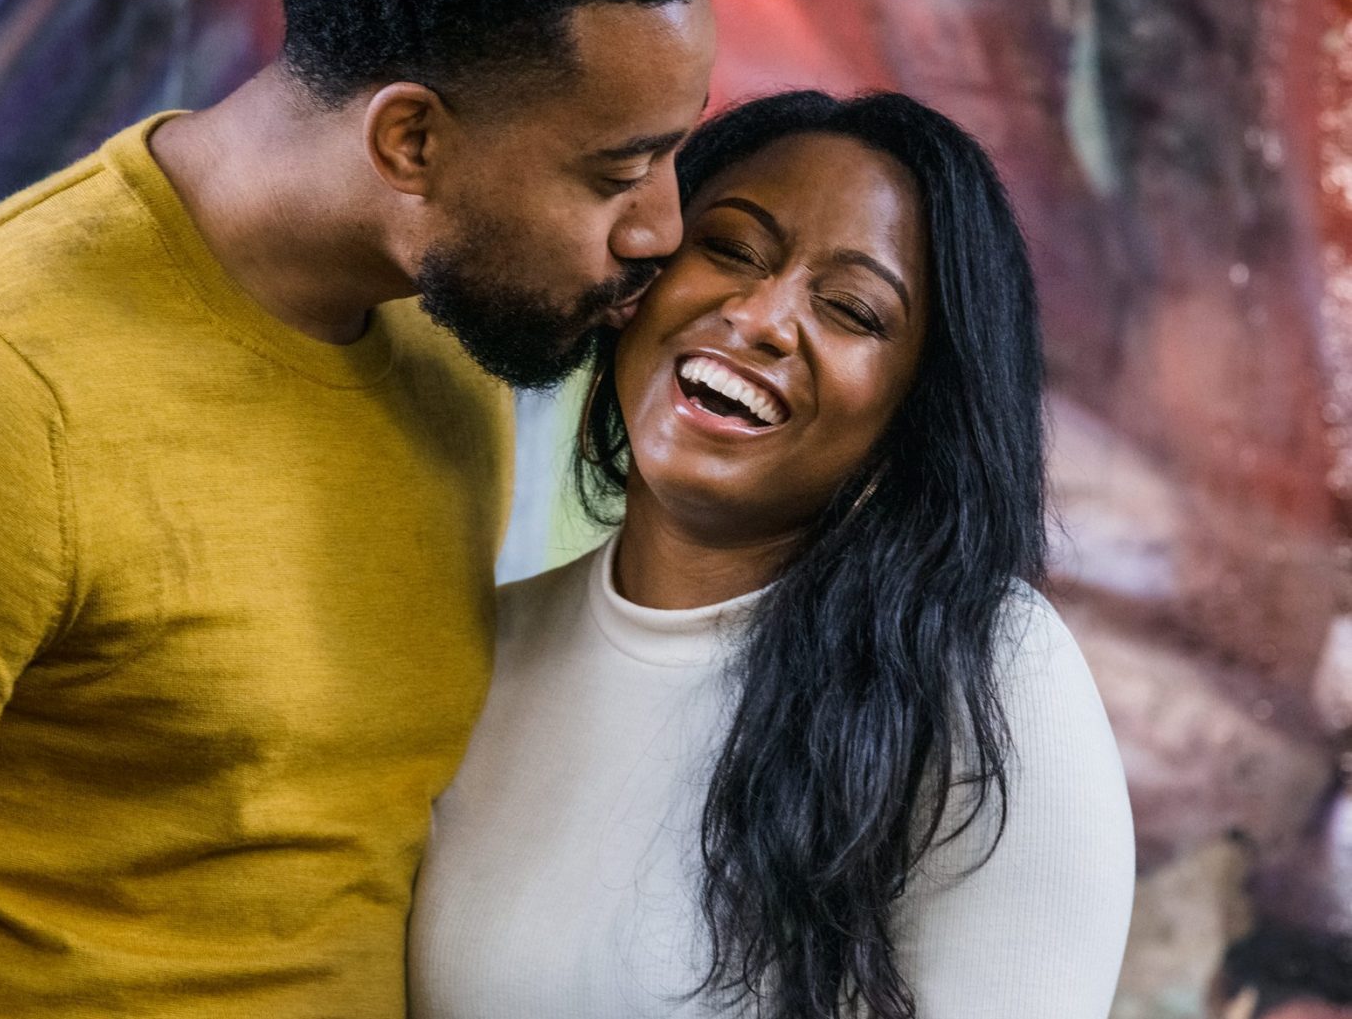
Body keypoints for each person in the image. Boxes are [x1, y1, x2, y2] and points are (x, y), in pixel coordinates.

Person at [0, 0, 717, 1018]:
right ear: (410, 141)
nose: (662, 224)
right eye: (620, 171)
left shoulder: (444, 322)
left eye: (672, 150)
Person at [409, 88, 1136, 1018]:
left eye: (852, 310)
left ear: (913, 416)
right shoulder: (481, 651)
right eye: (731, 249)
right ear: (639, 282)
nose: (761, 316)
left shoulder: (986, 671)